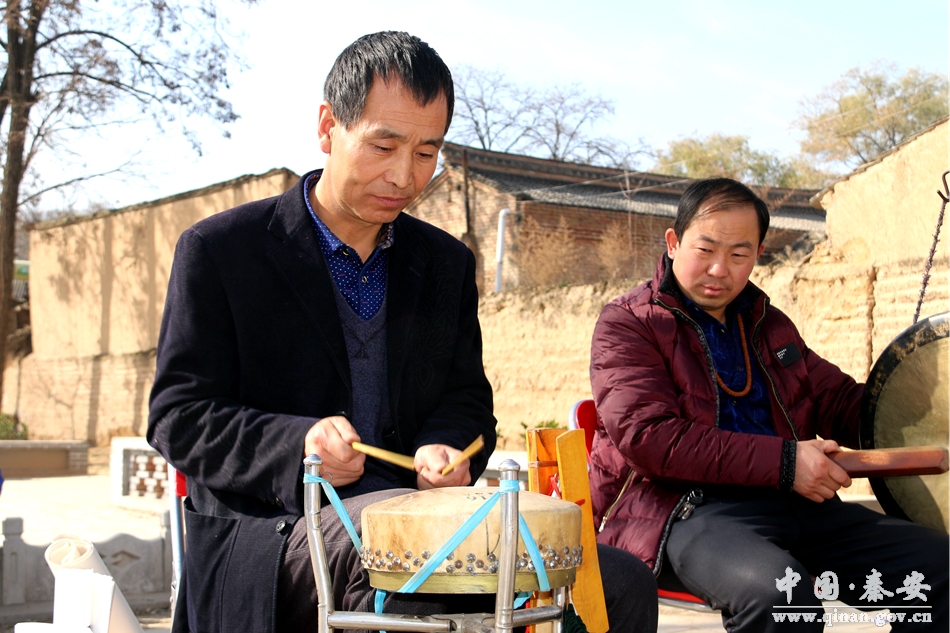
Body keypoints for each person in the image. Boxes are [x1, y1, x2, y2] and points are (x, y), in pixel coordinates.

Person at [149, 31, 656, 633]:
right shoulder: (223, 250)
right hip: (272, 531)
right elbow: (178, 415)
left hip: (420, 521)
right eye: (382, 145)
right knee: (402, 585)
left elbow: (466, 400)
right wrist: (298, 446)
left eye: (425, 152)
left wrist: (447, 443)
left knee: (619, 584)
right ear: (326, 126)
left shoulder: (444, 263)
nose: (403, 175)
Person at [588, 177, 948, 632]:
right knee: (782, 595)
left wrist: (925, 400)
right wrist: (787, 463)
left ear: (758, 255)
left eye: (739, 255)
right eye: (706, 250)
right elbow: (650, 438)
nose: (720, 269)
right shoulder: (629, 323)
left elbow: (841, 402)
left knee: (942, 569)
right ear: (674, 243)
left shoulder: (768, 325)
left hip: (793, 505)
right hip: (683, 512)